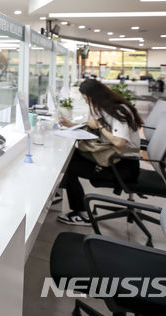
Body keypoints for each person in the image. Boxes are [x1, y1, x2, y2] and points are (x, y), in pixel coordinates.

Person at [57, 79, 142, 225]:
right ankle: (60, 197)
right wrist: (72, 125)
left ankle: (82, 214)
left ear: (94, 96)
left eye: (86, 99)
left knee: (69, 168)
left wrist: (99, 126)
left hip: (123, 166)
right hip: (114, 158)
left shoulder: (118, 110)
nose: (86, 102)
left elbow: (119, 142)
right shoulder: (108, 107)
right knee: (71, 157)